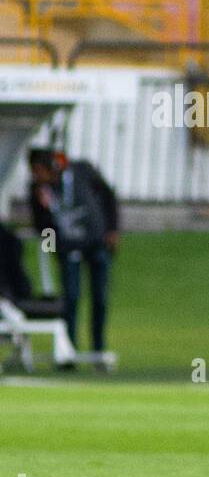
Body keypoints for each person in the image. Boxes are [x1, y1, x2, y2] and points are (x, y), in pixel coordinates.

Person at [26, 148, 119, 361]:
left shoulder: (80, 171)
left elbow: (107, 195)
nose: (36, 175)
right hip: (69, 248)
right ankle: (68, 351)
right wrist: (53, 247)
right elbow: (41, 226)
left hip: (96, 242)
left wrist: (112, 229)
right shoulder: (39, 191)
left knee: (100, 297)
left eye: (39, 170)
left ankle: (98, 349)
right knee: (71, 298)